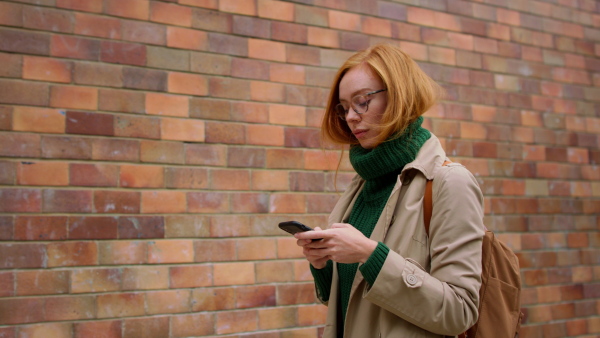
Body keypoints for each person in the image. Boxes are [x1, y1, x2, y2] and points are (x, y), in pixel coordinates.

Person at [294, 43, 485, 337]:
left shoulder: (449, 182)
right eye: (344, 108)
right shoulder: (362, 184)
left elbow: (460, 311)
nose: (351, 117)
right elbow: (354, 301)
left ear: (399, 96)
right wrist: (322, 264)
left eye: (362, 101)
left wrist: (370, 255)